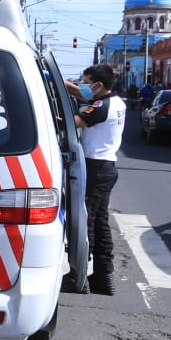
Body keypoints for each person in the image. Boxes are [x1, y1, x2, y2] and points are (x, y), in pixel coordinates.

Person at [64, 63, 126, 296]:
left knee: (85, 221)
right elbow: (83, 97)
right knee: (100, 222)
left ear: (99, 85)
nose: (84, 85)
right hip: (107, 167)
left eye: (87, 81)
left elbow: (73, 123)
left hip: (96, 169)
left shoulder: (101, 106)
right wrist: (64, 84)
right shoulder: (117, 102)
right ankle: (104, 276)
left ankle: (82, 276)